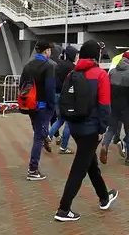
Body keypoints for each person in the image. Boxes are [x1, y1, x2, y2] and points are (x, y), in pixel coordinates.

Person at [54, 40, 118, 222]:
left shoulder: (72, 74)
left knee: (90, 163)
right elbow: (105, 106)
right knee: (79, 168)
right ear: (96, 55)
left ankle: (104, 197)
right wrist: (101, 129)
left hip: (75, 126)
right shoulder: (100, 75)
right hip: (91, 129)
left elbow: (65, 100)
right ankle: (63, 209)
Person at [20, 41, 56, 180]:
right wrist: (52, 106)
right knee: (38, 138)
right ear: (46, 51)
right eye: (50, 50)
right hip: (42, 106)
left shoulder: (28, 66)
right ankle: (33, 170)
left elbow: (22, 84)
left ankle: (45, 135)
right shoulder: (48, 67)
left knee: (38, 131)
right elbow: (50, 89)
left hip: (30, 105)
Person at [103, 52, 129, 165]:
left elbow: (106, 89)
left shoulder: (112, 72)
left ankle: (104, 146)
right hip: (126, 106)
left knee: (111, 129)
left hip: (113, 105)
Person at [48, 46, 78, 153]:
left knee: (60, 118)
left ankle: (48, 137)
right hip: (67, 96)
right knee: (69, 121)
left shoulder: (58, 64)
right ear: (72, 55)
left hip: (55, 94)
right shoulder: (73, 68)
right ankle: (63, 147)